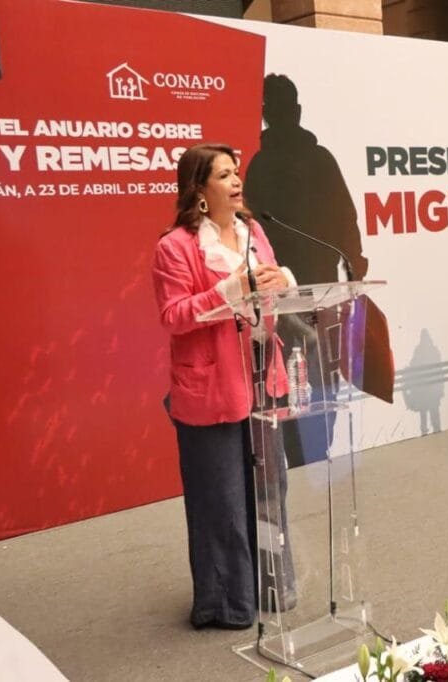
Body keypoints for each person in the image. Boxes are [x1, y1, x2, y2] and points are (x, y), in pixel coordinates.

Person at [151, 143, 295, 629]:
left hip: (262, 376)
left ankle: (273, 587)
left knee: (270, 489)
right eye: (224, 174)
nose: (237, 181)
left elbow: (270, 289)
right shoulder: (175, 246)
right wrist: (229, 290)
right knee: (222, 500)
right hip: (210, 387)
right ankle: (227, 604)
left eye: (236, 172)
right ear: (199, 189)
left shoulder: (254, 231)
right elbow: (173, 316)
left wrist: (282, 282)